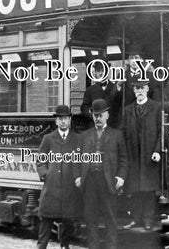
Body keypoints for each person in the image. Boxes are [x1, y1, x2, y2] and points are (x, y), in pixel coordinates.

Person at [75, 99, 128, 249]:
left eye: (100, 115)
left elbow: (124, 160)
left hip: (108, 181)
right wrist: (78, 177)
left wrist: (121, 177)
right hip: (89, 181)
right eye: (95, 115)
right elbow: (76, 159)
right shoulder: (84, 136)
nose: (97, 118)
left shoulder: (117, 135)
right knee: (90, 217)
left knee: (110, 218)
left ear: (107, 115)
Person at [36, 105, 80, 249]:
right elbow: (40, 160)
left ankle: (64, 245)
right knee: (46, 219)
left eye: (65, 118)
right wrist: (45, 175)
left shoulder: (77, 139)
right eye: (60, 119)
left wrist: (77, 177)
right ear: (56, 121)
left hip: (69, 186)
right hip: (52, 186)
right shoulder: (48, 138)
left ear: (69, 120)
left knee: (67, 219)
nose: (63, 121)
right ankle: (41, 246)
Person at [121, 80, 162, 231]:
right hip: (133, 154)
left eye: (142, 88)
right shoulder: (128, 110)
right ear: (133, 90)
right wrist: (124, 154)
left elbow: (161, 133)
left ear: (147, 89)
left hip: (149, 154)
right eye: (136, 88)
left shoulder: (156, 107)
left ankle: (148, 220)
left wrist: (157, 151)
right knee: (134, 188)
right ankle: (135, 218)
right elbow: (123, 132)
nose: (139, 91)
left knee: (148, 189)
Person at [81, 60, 121, 128]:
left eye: (103, 70)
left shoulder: (115, 87)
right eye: (98, 70)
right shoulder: (89, 90)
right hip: (95, 125)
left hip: (112, 125)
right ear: (95, 73)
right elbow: (84, 107)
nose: (101, 73)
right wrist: (92, 114)